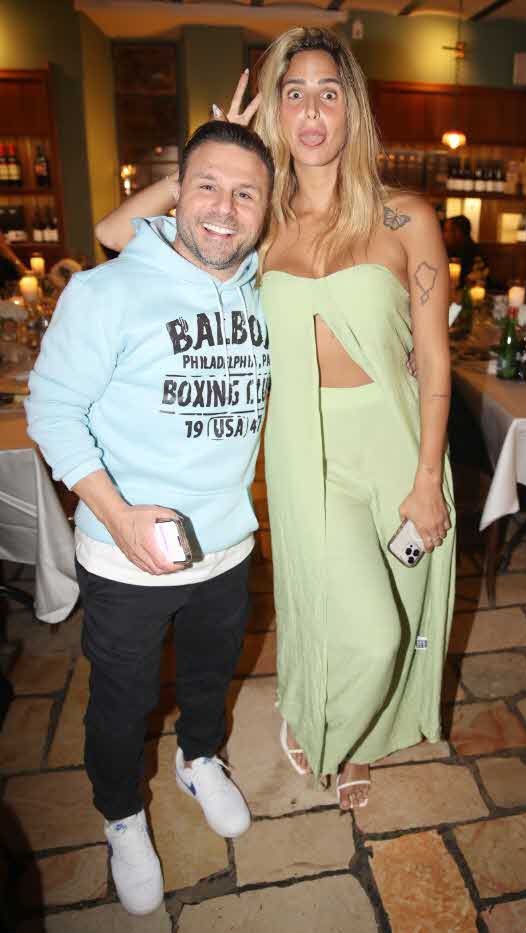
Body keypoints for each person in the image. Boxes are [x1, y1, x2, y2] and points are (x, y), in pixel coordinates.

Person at [96, 27, 455, 813]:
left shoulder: (406, 219)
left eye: (329, 92)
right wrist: (215, 152)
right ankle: (315, 708)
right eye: (295, 94)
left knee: (400, 604)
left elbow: (434, 359)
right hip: (305, 449)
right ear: (277, 112)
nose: (313, 111)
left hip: (397, 442)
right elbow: (114, 234)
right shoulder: (254, 223)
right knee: (367, 628)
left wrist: (428, 477)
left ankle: (356, 739)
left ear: (352, 108)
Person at [25, 120, 273, 916]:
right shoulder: (107, 290)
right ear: (175, 193)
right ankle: (122, 815)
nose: (225, 209)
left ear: (267, 209)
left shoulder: (262, 284)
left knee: (207, 679)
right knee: (121, 703)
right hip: (124, 554)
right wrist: (118, 514)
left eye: (246, 193)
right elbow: (51, 410)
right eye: (207, 186)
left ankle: (199, 760)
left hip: (226, 547)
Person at [442, 215, 486, 287]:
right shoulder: (447, 252)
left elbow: (474, 284)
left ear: (458, 232)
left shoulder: (475, 256)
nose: (443, 235)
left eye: (446, 230)